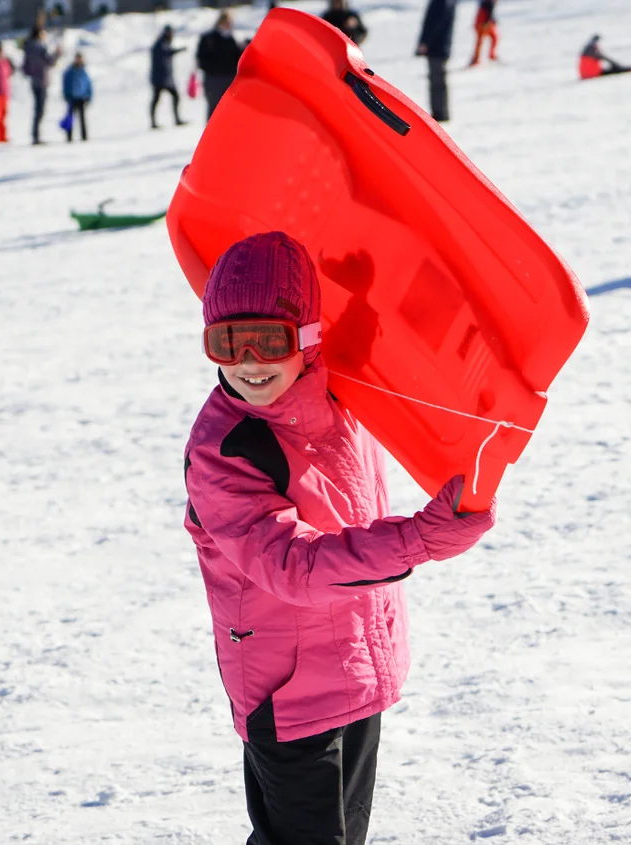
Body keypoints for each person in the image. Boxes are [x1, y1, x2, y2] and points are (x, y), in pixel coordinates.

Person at [183, 231, 496, 845]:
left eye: (267, 339)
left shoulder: (340, 395)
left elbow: (393, 341)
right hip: (289, 692)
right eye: (225, 342)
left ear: (307, 336)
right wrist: (420, 540)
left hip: (355, 663)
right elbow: (291, 567)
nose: (247, 362)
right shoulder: (225, 450)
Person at [196, 11, 244, 122]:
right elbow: (201, 59)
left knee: (230, 109)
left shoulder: (231, 39)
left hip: (229, 79)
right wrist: (213, 70)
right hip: (214, 80)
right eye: (226, 22)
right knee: (214, 110)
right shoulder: (208, 39)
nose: (227, 25)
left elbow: (237, 58)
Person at [416, 0, 457, 122]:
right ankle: (439, 112)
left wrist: (426, 42)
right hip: (440, 46)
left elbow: (436, 22)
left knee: (437, 80)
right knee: (437, 80)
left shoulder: (442, 2)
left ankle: (440, 113)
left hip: (437, 46)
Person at [22, 24, 61, 144]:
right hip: (42, 81)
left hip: (34, 82)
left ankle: (35, 135)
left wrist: (33, 72)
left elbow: (25, 68)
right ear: (39, 34)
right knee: (40, 109)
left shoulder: (28, 48)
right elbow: (50, 62)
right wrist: (57, 53)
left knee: (37, 109)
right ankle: (36, 136)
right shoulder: (40, 48)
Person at [149, 24, 187, 129]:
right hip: (159, 79)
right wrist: (179, 50)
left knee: (175, 97)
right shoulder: (160, 44)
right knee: (156, 99)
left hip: (166, 78)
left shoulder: (164, 43)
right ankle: (153, 122)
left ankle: (177, 119)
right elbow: (166, 52)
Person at [61, 52, 92, 142]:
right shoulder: (70, 71)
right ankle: (69, 137)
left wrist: (88, 96)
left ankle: (84, 136)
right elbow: (66, 84)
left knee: (82, 118)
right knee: (70, 118)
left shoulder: (83, 71)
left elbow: (88, 85)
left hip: (82, 98)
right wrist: (66, 95)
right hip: (72, 98)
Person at [469, 0, 498, 66]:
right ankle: (479, 58)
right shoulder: (489, 2)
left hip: (481, 21)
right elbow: (488, 11)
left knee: (482, 40)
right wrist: (487, 22)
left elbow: (490, 12)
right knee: (493, 37)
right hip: (483, 22)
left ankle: (476, 58)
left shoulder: (487, 2)